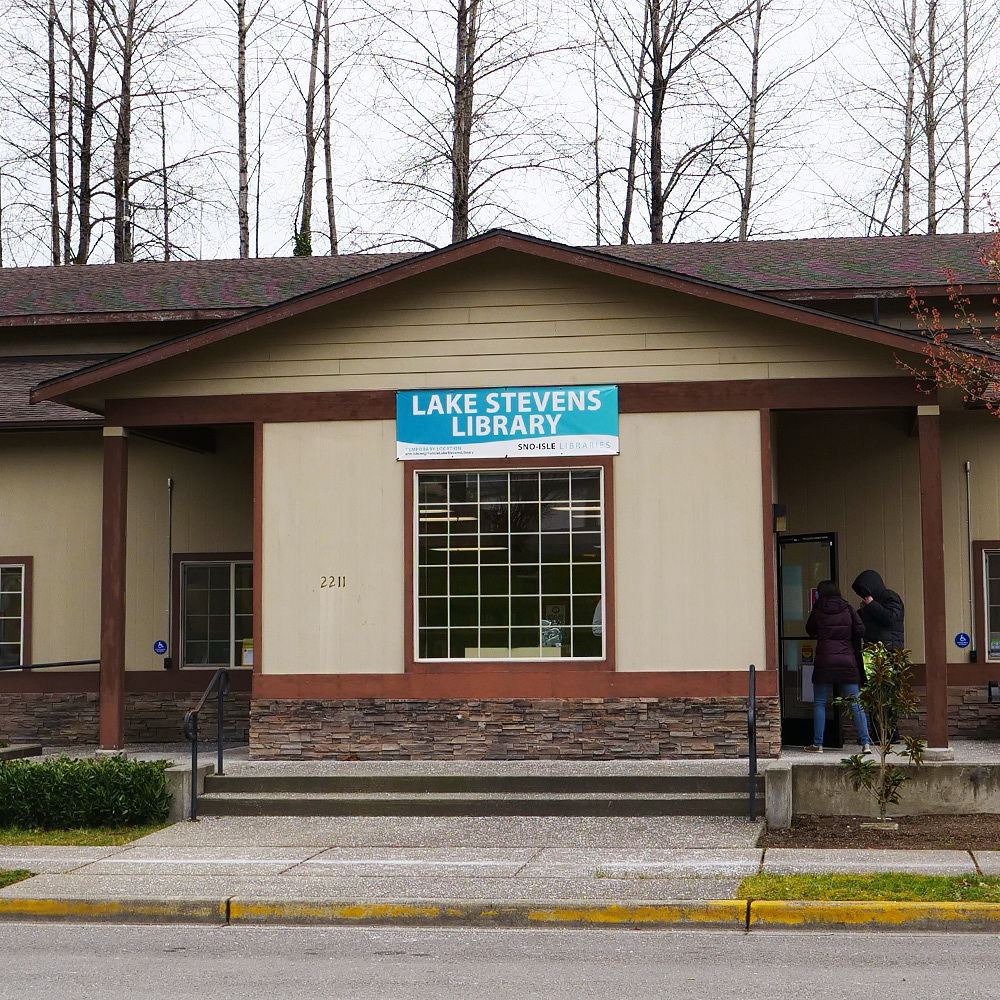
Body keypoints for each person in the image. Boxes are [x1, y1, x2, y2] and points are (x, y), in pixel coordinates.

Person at [802, 580, 871, 753]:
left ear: (821, 593)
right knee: (855, 703)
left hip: (825, 661)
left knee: (820, 703)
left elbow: (809, 629)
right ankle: (866, 743)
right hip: (846, 661)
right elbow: (861, 630)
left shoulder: (818, 609)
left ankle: (818, 744)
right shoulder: (847, 608)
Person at [851, 569, 904, 650]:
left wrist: (871, 604)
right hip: (874, 647)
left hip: (889, 647)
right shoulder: (873, 601)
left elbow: (891, 618)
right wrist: (863, 611)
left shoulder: (889, 596)